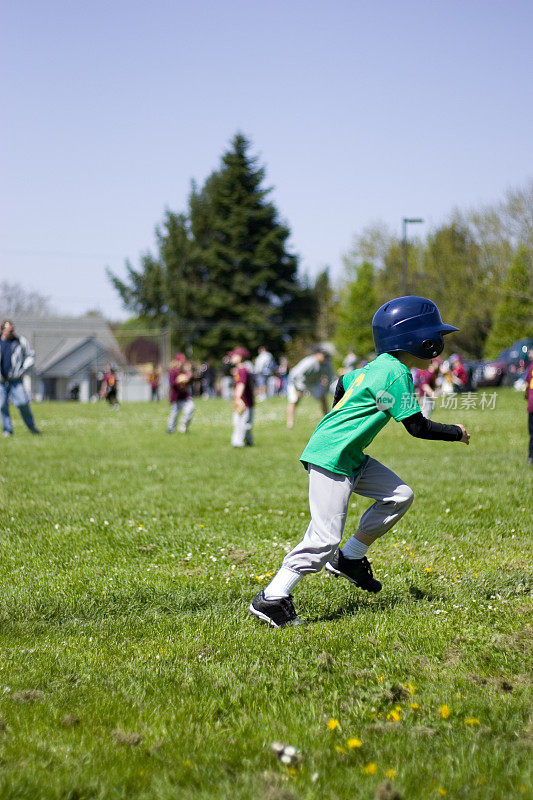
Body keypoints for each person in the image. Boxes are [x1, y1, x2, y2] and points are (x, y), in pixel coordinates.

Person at [249, 296, 470, 627]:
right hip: (333, 457)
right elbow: (418, 427)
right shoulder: (395, 374)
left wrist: (346, 413)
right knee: (323, 538)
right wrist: (457, 432)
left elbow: (344, 382)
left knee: (399, 495)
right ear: (415, 340)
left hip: (347, 455)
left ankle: (350, 558)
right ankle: (273, 598)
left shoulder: (377, 367)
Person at [0, 320, 40, 437]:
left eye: (13, 330)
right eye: (9, 330)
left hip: (16, 379)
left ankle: (32, 427)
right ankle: (7, 430)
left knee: (23, 402)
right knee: (2, 405)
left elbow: (30, 355)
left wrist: (23, 368)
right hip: (1, 381)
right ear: (3, 330)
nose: (12, 332)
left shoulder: (19, 341)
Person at [286, 346, 335, 428]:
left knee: (323, 397)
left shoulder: (327, 364)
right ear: (317, 355)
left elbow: (330, 377)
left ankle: (327, 420)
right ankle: (290, 422)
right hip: (297, 381)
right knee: (294, 400)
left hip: (312, 383)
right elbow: (295, 375)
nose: (324, 358)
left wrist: (325, 390)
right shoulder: (309, 362)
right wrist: (297, 389)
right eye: (323, 355)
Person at [229, 347, 254, 447]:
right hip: (245, 401)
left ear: (240, 357)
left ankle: (237, 443)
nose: (231, 357)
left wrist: (238, 398)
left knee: (241, 423)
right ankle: (249, 441)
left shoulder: (242, 370)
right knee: (245, 423)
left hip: (244, 402)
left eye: (233, 355)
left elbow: (241, 384)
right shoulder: (240, 370)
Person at [167, 353, 195, 433]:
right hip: (176, 397)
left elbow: (190, 383)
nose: (181, 363)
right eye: (180, 361)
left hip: (185, 396)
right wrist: (179, 380)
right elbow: (172, 384)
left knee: (191, 407)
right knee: (174, 414)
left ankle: (184, 425)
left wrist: (189, 378)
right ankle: (170, 429)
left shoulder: (183, 371)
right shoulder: (172, 372)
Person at [524, 347, 533, 465]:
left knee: (532, 433)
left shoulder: (531, 367)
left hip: (532, 405)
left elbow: (526, 385)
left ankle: (531, 456)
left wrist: (526, 395)